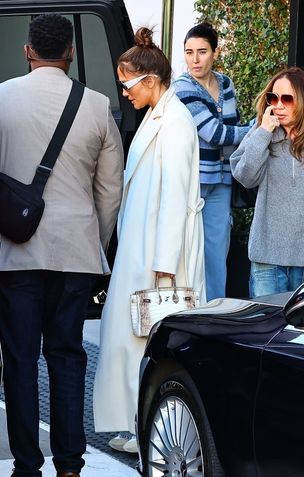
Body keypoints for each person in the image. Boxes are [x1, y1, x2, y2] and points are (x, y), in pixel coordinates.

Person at [0, 13, 124, 477]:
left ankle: (27, 466)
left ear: (28, 50)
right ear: (70, 53)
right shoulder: (96, 106)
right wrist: (97, 242)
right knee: (68, 356)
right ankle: (71, 465)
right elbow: (110, 192)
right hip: (75, 253)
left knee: (19, 359)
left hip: (15, 255)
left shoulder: (2, 99)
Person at [93, 27, 205, 453]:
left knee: (145, 343)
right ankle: (139, 425)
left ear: (150, 80)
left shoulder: (174, 121)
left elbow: (176, 196)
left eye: (127, 84)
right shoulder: (160, 116)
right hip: (145, 249)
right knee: (132, 341)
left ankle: (148, 429)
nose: (124, 93)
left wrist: (165, 262)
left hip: (157, 257)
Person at [173, 22, 250, 301]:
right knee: (186, 252)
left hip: (222, 180)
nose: (194, 59)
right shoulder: (182, 87)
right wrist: (258, 129)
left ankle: (214, 311)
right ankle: (188, 313)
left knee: (217, 252)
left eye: (202, 51)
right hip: (192, 180)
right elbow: (214, 133)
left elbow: (234, 123)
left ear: (215, 53)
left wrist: (247, 129)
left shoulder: (225, 83)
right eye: (189, 52)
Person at [230, 66, 304, 297]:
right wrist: (263, 132)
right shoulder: (263, 133)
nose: (278, 105)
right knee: (265, 331)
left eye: (287, 99)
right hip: (267, 259)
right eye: (273, 98)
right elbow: (245, 176)